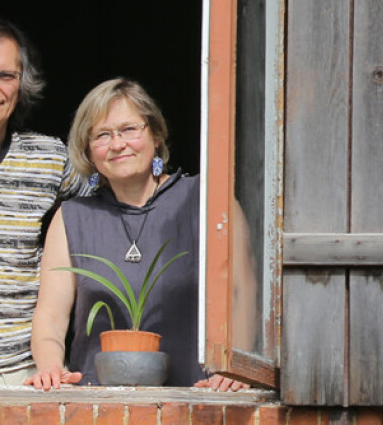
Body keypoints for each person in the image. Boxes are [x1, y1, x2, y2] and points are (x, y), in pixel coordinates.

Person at [26, 78, 249, 391]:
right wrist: (50, 368)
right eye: (102, 135)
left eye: (130, 129)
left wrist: (238, 367)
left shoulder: (208, 200)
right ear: (88, 150)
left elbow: (245, 291)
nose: (118, 144)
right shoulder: (72, 217)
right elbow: (50, 315)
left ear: (155, 134)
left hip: (200, 398)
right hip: (98, 406)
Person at [0, 16, 87, 385]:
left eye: (6, 76)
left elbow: (118, 207)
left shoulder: (49, 157)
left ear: (22, 85)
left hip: (23, 373)